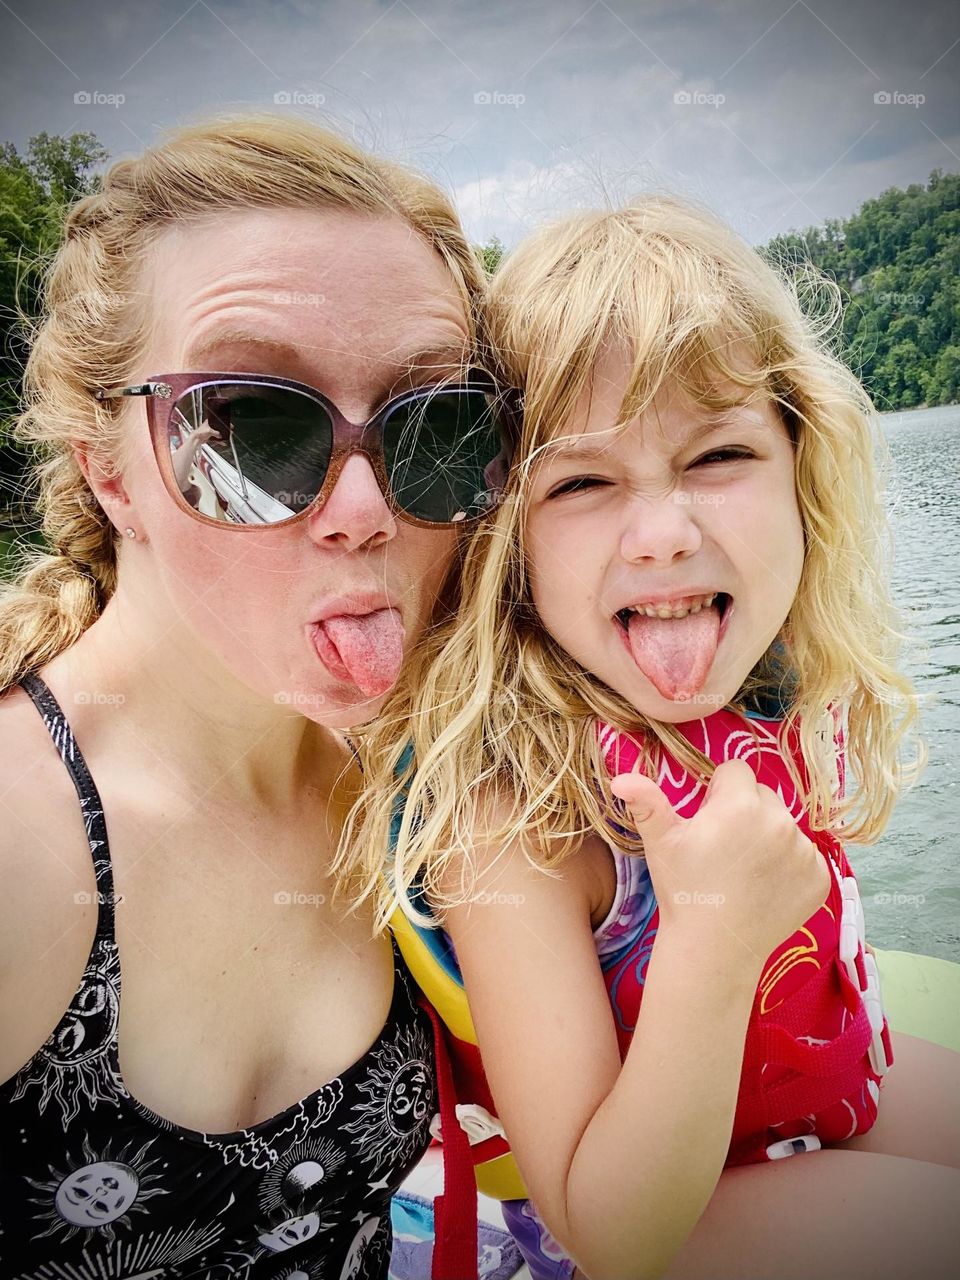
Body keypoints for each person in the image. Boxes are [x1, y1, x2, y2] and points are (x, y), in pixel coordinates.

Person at [343, 198, 960, 1280]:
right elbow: (607, 1224)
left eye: (719, 453)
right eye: (582, 481)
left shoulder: (759, 696)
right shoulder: (511, 810)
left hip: (790, 1131)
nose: (665, 532)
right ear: (508, 539)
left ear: (802, 470)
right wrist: (714, 934)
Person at [0, 113, 511, 1279]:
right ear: (105, 464)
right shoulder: (19, 842)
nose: (364, 507)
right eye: (252, 426)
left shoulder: (427, 786)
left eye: (433, 424)